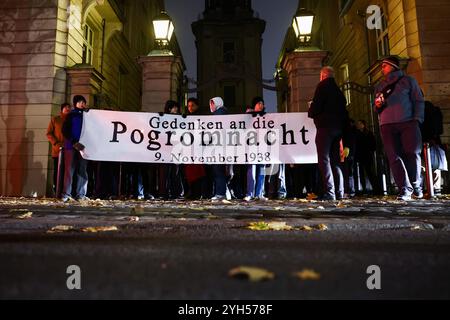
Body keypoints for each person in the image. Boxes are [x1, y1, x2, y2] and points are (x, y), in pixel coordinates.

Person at [374, 56, 425, 201]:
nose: (382, 68)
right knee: (394, 157)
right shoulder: (380, 85)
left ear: (393, 66)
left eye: (384, 65)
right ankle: (404, 189)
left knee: (412, 153)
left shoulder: (408, 81)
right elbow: (376, 107)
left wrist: (417, 119)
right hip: (387, 124)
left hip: (408, 122)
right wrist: (377, 105)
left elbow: (418, 100)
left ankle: (416, 185)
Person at [308, 66, 349, 201]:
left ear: (322, 76)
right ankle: (340, 191)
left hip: (325, 129)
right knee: (335, 161)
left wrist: (311, 110)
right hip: (338, 130)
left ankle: (330, 192)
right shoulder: (339, 92)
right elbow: (344, 114)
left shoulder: (322, 87)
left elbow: (316, 108)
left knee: (324, 160)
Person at [61, 95, 89, 202]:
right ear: (75, 103)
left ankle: (81, 194)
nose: (82, 104)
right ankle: (66, 194)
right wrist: (73, 142)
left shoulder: (87, 115)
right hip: (71, 146)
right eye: (80, 102)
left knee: (82, 170)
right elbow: (65, 131)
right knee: (69, 170)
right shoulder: (71, 115)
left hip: (83, 147)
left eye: (84, 102)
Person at [244, 97, 267, 201]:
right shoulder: (248, 116)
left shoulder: (267, 116)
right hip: (252, 146)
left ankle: (259, 193)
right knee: (251, 170)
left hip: (263, 146)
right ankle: (250, 193)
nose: (260, 105)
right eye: (258, 103)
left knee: (262, 170)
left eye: (262, 103)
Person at [184, 98, 207, 199]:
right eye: (188, 106)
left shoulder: (201, 117)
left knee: (198, 170)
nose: (190, 108)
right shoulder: (185, 117)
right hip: (188, 147)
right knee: (190, 171)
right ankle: (191, 191)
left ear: (197, 106)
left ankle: (198, 192)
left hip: (198, 147)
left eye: (192, 105)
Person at [46, 102, 71, 196]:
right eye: (66, 107)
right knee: (58, 171)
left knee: (67, 171)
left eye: (69, 107)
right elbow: (49, 133)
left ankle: (66, 192)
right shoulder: (55, 119)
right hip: (58, 151)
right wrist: (56, 143)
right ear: (62, 109)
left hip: (69, 149)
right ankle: (57, 190)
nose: (68, 109)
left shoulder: (71, 120)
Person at [209, 97, 228, 200]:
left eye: (212, 104)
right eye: (210, 104)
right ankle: (220, 192)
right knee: (219, 170)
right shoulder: (222, 112)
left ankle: (220, 193)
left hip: (219, 148)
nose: (211, 106)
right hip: (220, 147)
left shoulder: (219, 114)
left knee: (218, 170)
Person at [355, 119, 380, 195]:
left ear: (363, 124)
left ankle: (376, 189)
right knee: (361, 173)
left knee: (370, 172)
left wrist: (370, 151)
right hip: (361, 156)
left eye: (360, 124)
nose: (358, 125)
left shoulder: (369, 133)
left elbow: (373, 145)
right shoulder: (357, 134)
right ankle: (364, 189)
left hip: (367, 155)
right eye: (358, 124)